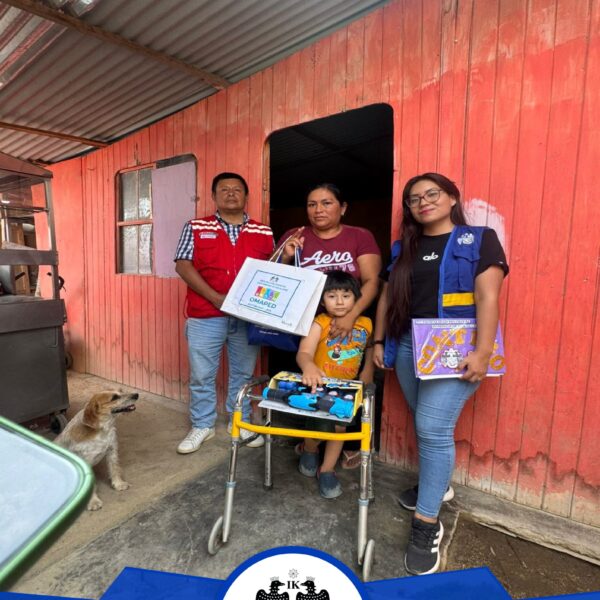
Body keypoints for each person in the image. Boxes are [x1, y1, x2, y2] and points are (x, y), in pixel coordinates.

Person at [373, 172, 508, 576]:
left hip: (455, 348)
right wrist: (378, 341)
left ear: (451, 198)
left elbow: (487, 295)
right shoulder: (404, 248)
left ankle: (426, 522)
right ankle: (438, 484)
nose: (423, 202)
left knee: (432, 427)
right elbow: (386, 296)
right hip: (408, 345)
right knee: (426, 421)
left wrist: (482, 352)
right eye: (414, 198)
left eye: (432, 194)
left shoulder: (479, 239)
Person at [280, 183, 382, 469]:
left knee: (350, 387)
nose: (318, 210)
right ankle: (311, 444)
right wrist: (286, 255)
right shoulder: (295, 235)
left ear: (343, 207)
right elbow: (276, 281)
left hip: (351, 326)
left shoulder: (359, 236)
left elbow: (372, 281)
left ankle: (345, 445)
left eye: (326, 203)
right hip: (308, 326)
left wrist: (351, 316)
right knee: (311, 387)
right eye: (312, 204)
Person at [174, 172, 274, 454]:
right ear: (214, 196)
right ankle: (202, 424)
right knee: (202, 374)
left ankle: (238, 421)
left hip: (247, 317)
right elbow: (183, 265)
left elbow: (271, 270)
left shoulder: (263, 231)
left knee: (242, 373)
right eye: (224, 189)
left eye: (237, 189)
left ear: (246, 196)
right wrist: (216, 298)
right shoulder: (196, 226)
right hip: (205, 314)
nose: (231, 193)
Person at [296, 270, 373, 499]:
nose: (339, 301)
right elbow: (304, 352)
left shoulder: (366, 323)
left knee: (339, 429)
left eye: (346, 296)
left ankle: (327, 469)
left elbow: (369, 347)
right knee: (316, 428)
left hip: (346, 389)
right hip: (318, 386)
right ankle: (309, 450)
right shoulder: (319, 323)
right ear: (322, 300)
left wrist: (368, 369)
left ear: (356, 298)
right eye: (332, 296)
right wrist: (308, 366)